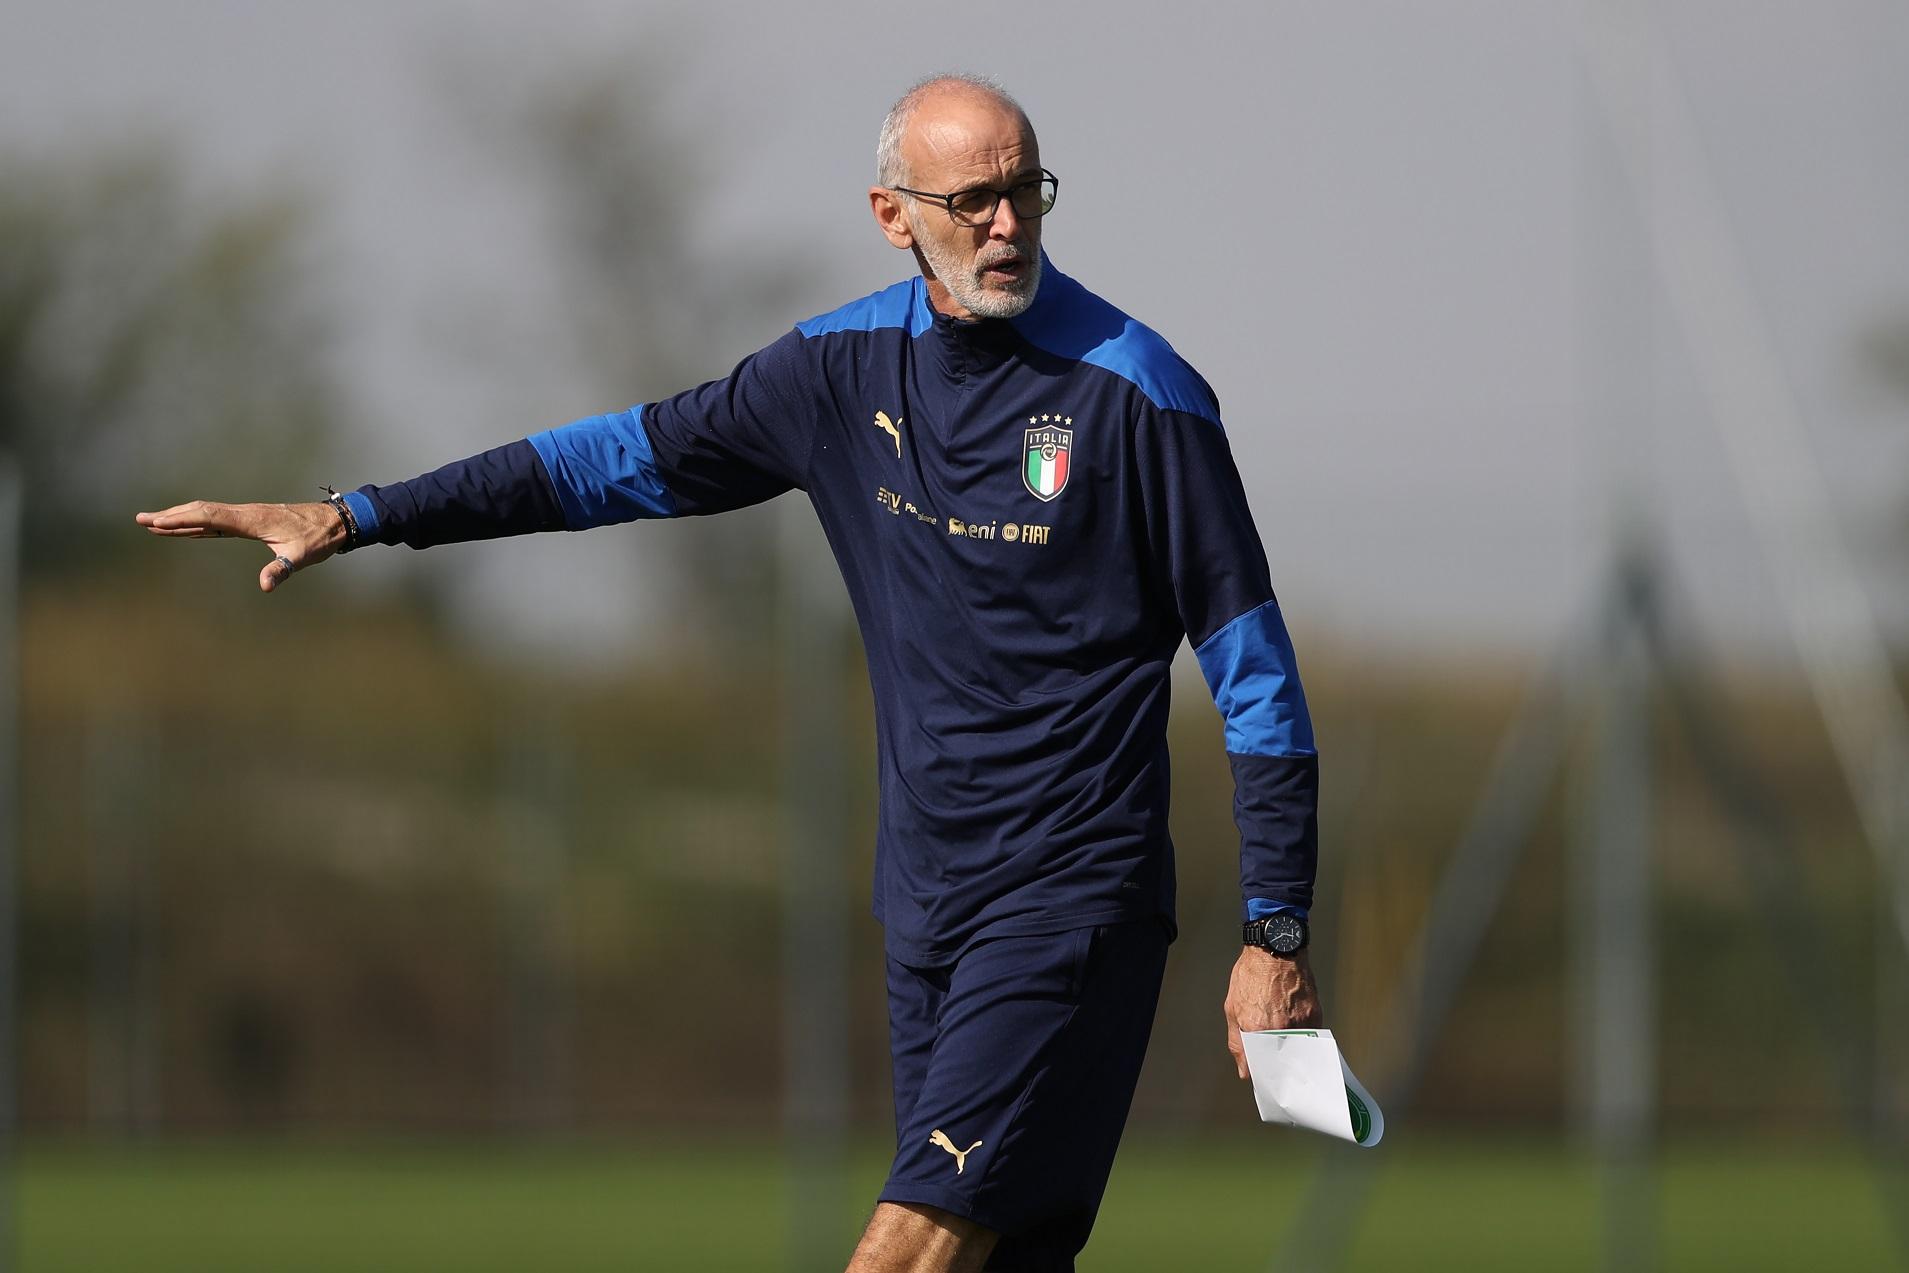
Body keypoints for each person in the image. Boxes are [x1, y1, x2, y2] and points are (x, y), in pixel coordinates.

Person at [137, 73, 1324, 1273]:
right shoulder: (836, 371)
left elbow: (1255, 675)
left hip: (1069, 902)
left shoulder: (1138, 390)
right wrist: (365, 514)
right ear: (892, 214)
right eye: (973, 200)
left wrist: (1272, 932)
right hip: (925, 908)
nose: (1008, 224)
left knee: (904, 1249)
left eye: (1027, 190)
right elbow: (608, 462)